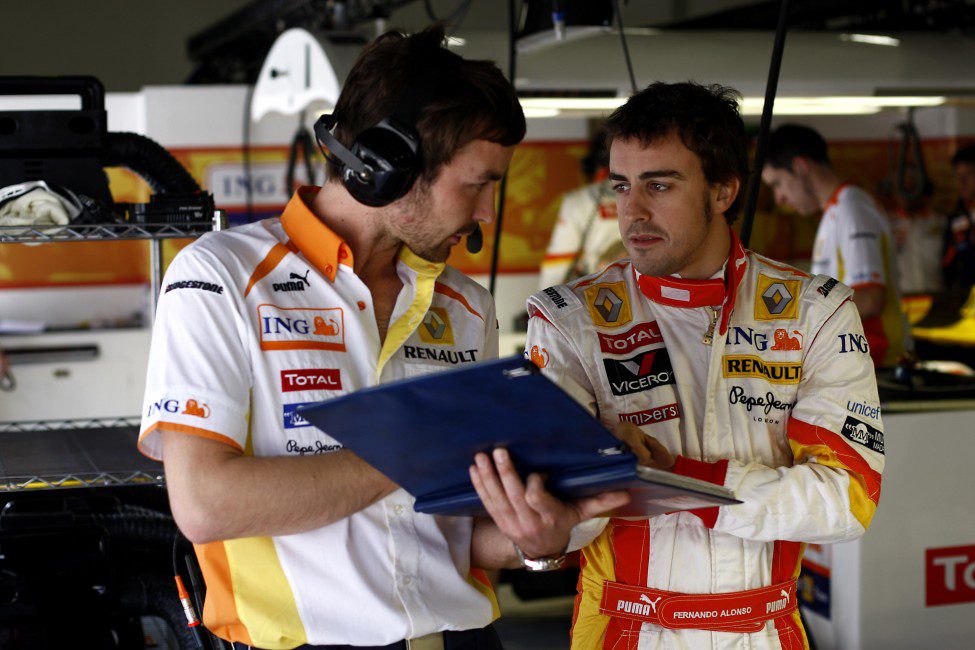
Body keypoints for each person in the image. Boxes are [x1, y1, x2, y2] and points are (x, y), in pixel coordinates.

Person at [138, 26, 626, 649]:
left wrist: (536, 541)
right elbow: (206, 503)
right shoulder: (220, 276)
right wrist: (418, 445)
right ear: (390, 166)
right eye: (478, 183)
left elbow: (454, 532)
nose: (486, 215)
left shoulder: (466, 306)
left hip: (461, 638)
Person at [517, 82, 885, 649]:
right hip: (625, 627)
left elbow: (847, 501)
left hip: (763, 628)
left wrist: (689, 481)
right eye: (622, 186)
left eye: (659, 185)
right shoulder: (571, 320)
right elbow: (560, 514)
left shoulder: (816, 312)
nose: (632, 211)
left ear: (723, 191)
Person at [762, 123, 911, 367]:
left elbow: (870, 298)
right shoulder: (834, 212)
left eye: (778, 183)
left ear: (800, 166)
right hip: (856, 363)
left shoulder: (851, 208)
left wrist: (800, 323)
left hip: (876, 363)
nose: (779, 197)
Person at [538, 133, 624, 289]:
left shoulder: (579, 201)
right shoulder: (655, 192)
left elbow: (557, 266)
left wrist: (542, 309)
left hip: (601, 290)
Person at [944, 144, 975, 293]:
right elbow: (948, 265)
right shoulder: (954, 218)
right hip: (965, 300)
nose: (961, 182)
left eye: (968, 175)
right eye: (957, 177)